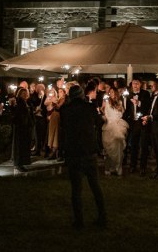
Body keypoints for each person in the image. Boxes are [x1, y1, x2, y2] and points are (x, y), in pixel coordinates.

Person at [61, 83, 107, 230]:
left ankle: (79, 221)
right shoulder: (89, 107)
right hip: (89, 151)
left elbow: (65, 127)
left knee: (76, 189)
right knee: (95, 186)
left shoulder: (65, 110)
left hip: (74, 151)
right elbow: (99, 122)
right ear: (81, 94)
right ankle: (102, 216)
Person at [101, 87, 129, 176]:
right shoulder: (107, 102)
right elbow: (106, 113)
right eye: (110, 92)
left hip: (118, 124)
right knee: (109, 148)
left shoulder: (120, 102)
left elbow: (121, 113)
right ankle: (109, 167)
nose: (111, 93)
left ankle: (118, 167)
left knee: (118, 147)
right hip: (109, 125)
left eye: (113, 92)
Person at [127, 78, 152, 175]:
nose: (135, 85)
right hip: (133, 123)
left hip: (142, 122)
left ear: (140, 84)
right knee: (134, 145)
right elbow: (127, 108)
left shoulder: (145, 94)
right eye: (133, 83)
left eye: (137, 83)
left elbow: (148, 106)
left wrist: (139, 103)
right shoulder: (128, 94)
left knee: (143, 145)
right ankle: (132, 166)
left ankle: (142, 167)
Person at [12, 87, 33, 172]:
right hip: (21, 126)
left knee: (24, 145)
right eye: (23, 94)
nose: (25, 95)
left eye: (26, 93)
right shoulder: (19, 102)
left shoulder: (25, 102)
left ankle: (21, 162)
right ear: (20, 94)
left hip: (25, 126)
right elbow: (18, 114)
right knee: (20, 145)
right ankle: (18, 163)